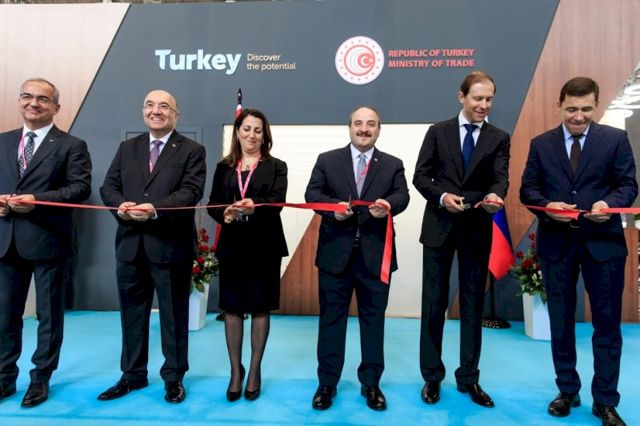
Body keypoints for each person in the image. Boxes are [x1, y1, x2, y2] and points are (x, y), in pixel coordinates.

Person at [520, 77, 637, 426]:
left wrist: (608, 204)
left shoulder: (615, 139)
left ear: (596, 105)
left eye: (586, 109)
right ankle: (567, 390)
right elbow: (528, 190)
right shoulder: (541, 144)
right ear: (559, 105)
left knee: (607, 325)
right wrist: (546, 206)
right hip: (557, 244)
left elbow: (628, 184)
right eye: (572, 109)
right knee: (560, 322)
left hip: (604, 245)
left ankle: (605, 401)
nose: (579, 116)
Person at [99, 90, 206, 404]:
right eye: (149, 105)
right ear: (143, 111)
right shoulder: (127, 148)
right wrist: (120, 205)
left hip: (170, 246)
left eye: (163, 106)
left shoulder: (191, 150)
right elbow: (108, 186)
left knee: (174, 316)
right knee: (132, 315)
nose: (155, 110)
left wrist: (154, 209)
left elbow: (191, 191)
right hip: (130, 245)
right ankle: (132, 375)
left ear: (176, 114)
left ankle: (174, 377)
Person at [413, 71, 510, 408]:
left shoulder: (499, 138)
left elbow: (500, 179)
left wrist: (496, 195)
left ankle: (469, 378)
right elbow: (421, 176)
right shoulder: (437, 132)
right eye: (477, 98)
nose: (484, 105)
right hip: (439, 226)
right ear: (462, 96)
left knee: (472, 305)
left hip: (476, 228)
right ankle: (431, 376)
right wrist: (442, 197)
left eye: (489, 99)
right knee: (433, 304)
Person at [305, 106, 409, 411]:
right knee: (331, 321)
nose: (364, 129)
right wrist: (332, 208)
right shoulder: (327, 160)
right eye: (359, 123)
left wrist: (388, 205)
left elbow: (402, 195)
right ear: (349, 127)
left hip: (375, 258)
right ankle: (327, 383)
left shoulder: (392, 164)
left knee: (373, 322)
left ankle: (371, 383)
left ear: (379, 129)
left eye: (371, 124)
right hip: (335, 256)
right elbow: (313, 194)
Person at [0, 78, 92, 407]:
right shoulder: (2, 141)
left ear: (56, 107)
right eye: (27, 96)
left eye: (42, 99)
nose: (33, 103)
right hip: (6, 240)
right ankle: (4, 377)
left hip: (48, 240)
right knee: (5, 316)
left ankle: (40, 379)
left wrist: (37, 201)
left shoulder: (71, 145)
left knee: (48, 317)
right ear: (20, 101)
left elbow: (79, 189)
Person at [207, 108, 288, 402]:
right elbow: (213, 204)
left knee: (260, 308)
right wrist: (225, 213)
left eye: (258, 130)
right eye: (246, 129)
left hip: (265, 245)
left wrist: (255, 206)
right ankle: (235, 371)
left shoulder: (277, 166)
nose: (252, 135)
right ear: (237, 132)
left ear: (265, 135)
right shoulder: (224, 167)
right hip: (233, 245)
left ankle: (254, 371)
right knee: (232, 309)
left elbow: (277, 202)